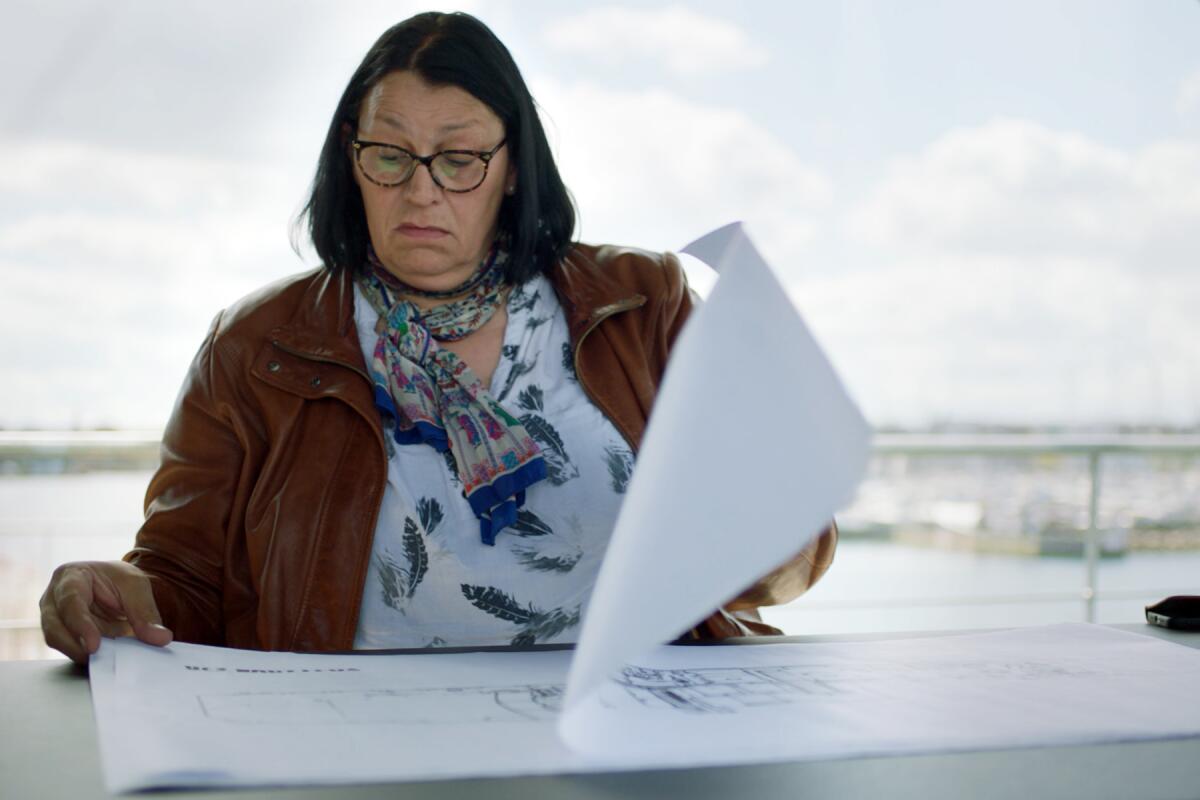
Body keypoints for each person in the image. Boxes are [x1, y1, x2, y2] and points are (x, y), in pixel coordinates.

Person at [39, 11, 837, 664]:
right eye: (389, 155)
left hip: (633, 725)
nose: (421, 191)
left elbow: (787, 554)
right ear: (352, 159)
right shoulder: (255, 347)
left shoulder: (644, 306)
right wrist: (113, 589)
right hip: (350, 741)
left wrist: (765, 527)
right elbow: (181, 579)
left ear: (514, 166)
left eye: (458, 159)